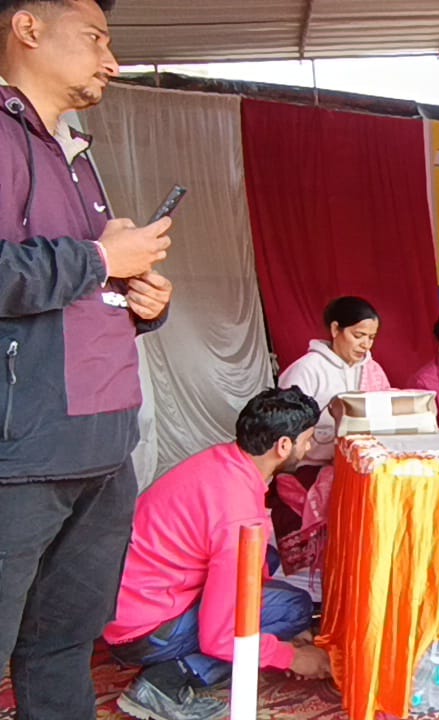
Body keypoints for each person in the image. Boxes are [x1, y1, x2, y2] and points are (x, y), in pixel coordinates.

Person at [0, 2, 177, 717]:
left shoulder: (72, 149)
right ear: (28, 28)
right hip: (23, 449)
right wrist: (102, 258)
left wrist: (140, 300)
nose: (112, 61)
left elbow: (79, 288)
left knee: (64, 642)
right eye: (96, 39)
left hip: (102, 442)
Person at [105, 388, 330, 720]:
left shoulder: (225, 460)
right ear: (283, 446)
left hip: (124, 603)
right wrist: (291, 657)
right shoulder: (238, 516)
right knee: (289, 610)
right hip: (144, 630)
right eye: (307, 441)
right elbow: (221, 638)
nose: (309, 449)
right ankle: (164, 681)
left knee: (275, 574)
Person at [273, 296, 391, 601]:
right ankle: (328, 594)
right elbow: (287, 432)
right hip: (310, 467)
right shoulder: (306, 370)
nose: (365, 345)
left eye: (371, 338)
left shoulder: (372, 369)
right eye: (358, 335)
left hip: (357, 466)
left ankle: (364, 589)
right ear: (336, 329)